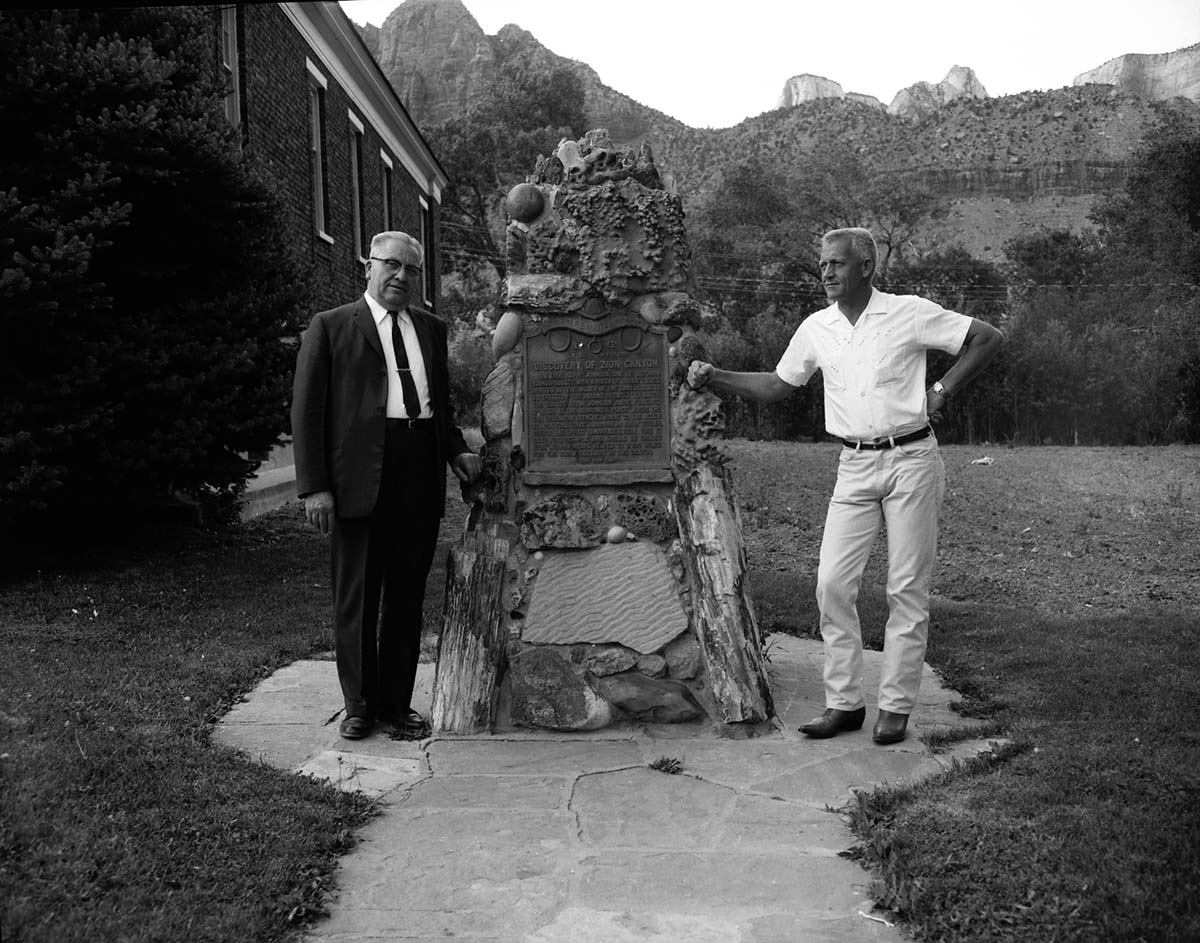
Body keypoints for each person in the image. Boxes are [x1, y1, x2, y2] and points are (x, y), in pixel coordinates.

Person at [688, 227, 1002, 745]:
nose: (826, 273)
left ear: (866, 268)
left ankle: (895, 707)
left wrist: (942, 389)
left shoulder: (908, 312)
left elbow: (987, 337)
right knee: (831, 584)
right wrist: (715, 375)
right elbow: (778, 385)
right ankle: (845, 704)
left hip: (912, 459)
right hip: (853, 465)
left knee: (905, 588)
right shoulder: (818, 327)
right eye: (822, 265)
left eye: (835, 263)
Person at [292, 231, 482, 740]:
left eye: (411, 269)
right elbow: (307, 412)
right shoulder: (331, 327)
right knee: (356, 596)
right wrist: (314, 487)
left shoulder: (432, 329)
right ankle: (358, 706)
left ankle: (396, 703)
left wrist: (456, 450)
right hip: (357, 479)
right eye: (392, 264)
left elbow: (440, 405)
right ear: (369, 266)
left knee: (406, 595)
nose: (401, 275)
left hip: (418, 471)